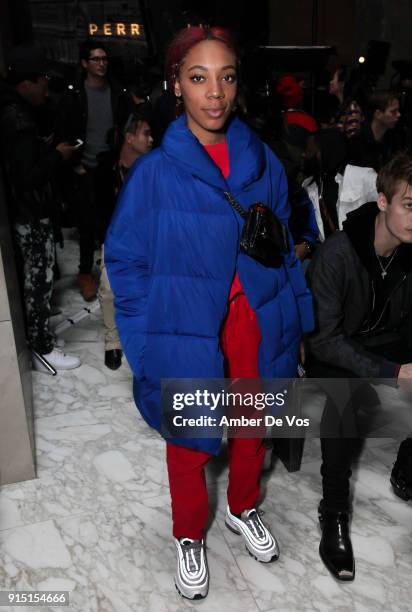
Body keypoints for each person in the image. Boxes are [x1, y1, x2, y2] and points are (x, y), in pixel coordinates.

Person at [105, 26, 313, 600]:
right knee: (191, 438)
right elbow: (124, 263)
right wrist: (146, 345)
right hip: (188, 326)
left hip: (257, 320)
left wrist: (295, 320)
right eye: (199, 78)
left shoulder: (264, 161)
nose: (214, 93)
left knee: (255, 425)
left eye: (226, 77)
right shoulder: (155, 173)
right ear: (177, 85)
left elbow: (284, 242)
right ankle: (188, 533)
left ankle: (243, 507)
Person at [306, 152, 412, 582]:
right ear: (383, 202)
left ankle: (407, 468)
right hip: (333, 350)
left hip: (382, 336)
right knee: (344, 401)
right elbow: (324, 340)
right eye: (410, 204)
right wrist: (392, 372)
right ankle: (333, 511)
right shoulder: (338, 254)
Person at [0, 46, 81, 371]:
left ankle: (39, 335)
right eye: (43, 80)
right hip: (28, 215)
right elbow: (27, 176)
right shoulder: (16, 119)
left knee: (39, 278)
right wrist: (57, 156)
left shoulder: (16, 111)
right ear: (27, 83)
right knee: (37, 280)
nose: (47, 87)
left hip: (28, 213)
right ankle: (41, 347)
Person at [57, 41, 133, 301]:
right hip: (83, 167)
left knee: (112, 221)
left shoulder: (116, 91)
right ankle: (84, 272)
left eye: (104, 59)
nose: (101, 63)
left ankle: (113, 270)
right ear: (84, 63)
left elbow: (125, 125)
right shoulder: (75, 94)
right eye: (96, 59)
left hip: (108, 165)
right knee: (86, 225)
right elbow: (65, 129)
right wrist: (74, 165)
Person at [98, 111, 153, 370]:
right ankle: (112, 343)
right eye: (146, 134)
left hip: (145, 240)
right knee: (108, 289)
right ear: (130, 138)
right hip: (115, 238)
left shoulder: (152, 168)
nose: (151, 139)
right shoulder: (106, 167)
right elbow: (93, 209)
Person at [348, 90, 402, 171]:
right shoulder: (357, 142)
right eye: (393, 111)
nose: (399, 114)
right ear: (378, 114)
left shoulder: (395, 139)